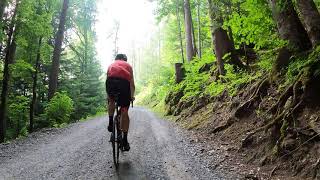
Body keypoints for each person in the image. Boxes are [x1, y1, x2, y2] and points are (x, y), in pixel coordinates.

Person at [106, 54, 135, 151]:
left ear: (116, 59)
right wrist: (131, 96)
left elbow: (107, 79)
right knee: (124, 110)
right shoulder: (128, 66)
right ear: (125, 60)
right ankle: (125, 140)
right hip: (123, 85)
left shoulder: (111, 65)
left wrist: (109, 97)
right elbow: (132, 84)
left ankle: (110, 122)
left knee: (111, 100)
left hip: (110, 83)